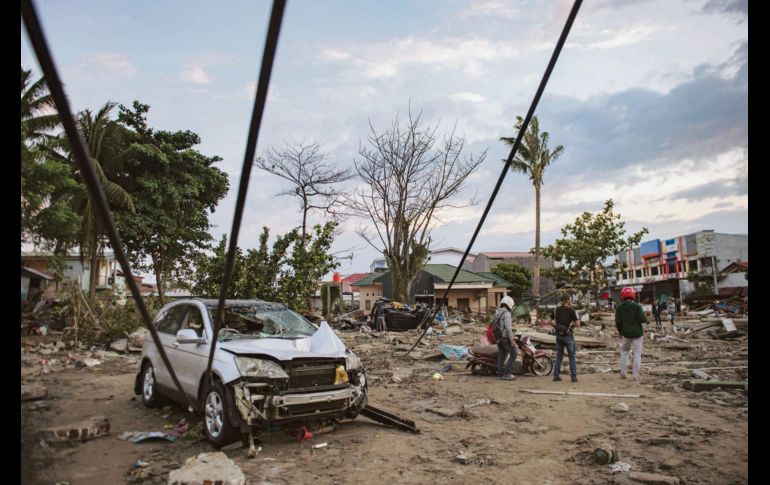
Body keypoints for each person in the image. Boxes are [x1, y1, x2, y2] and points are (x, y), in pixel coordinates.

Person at [615, 287, 648, 380]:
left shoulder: (619, 307)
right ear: (633, 295)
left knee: (624, 353)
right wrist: (647, 320)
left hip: (625, 334)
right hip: (637, 334)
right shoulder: (637, 306)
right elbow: (642, 319)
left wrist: (620, 332)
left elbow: (618, 322)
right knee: (637, 353)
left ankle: (623, 374)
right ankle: (635, 375)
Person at [552, 295, 579, 382]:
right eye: (570, 299)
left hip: (558, 336)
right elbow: (578, 323)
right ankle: (573, 377)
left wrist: (557, 327)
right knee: (571, 356)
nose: (571, 301)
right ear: (567, 300)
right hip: (568, 336)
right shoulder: (571, 310)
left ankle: (556, 376)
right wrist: (571, 326)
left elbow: (549, 321)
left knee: (559, 355)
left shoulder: (556, 310)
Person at [494, 296, 516, 381]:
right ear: (509, 304)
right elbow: (508, 328)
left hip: (499, 337)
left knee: (501, 356)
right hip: (505, 338)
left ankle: (500, 375)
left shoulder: (497, 312)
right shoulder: (507, 314)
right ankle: (507, 374)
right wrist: (512, 340)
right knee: (514, 354)